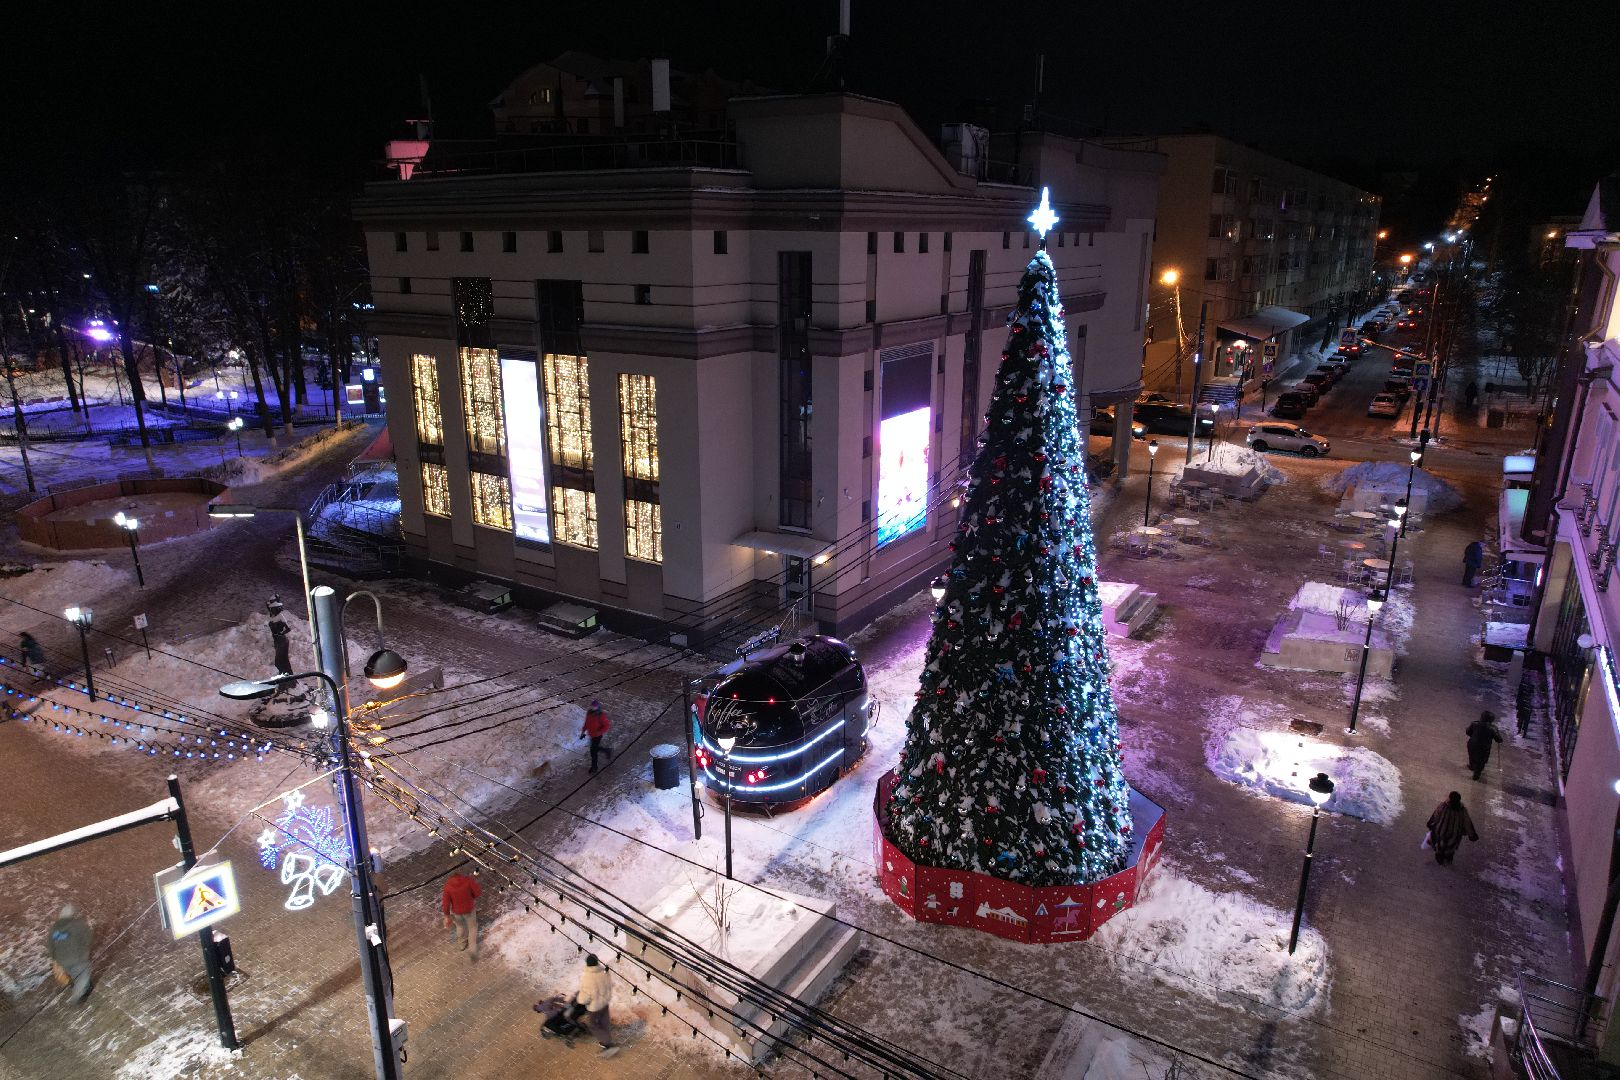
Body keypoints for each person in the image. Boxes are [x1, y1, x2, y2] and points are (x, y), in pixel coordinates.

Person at [574, 953, 618, 1057]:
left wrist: (579, 999)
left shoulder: (587, 978)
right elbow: (610, 985)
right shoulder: (604, 973)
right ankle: (605, 1042)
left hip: (594, 1008)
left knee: (593, 1025)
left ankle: (608, 1044)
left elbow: (584, 998)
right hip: (605, 1003)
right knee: (604, 1022)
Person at [47, 905, 93, 1002]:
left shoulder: (54, 929)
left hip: (62, 960)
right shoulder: (78, 925)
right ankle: (78, 996)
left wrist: (55, 958)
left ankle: (80, 987)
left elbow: (50, 945)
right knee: (83, 976)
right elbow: (87, 938)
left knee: (74, 974)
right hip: (78, 958)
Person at [1426, 791, 1480, 865]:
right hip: (1454, 834)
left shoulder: (1444, 806)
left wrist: (1431, 823)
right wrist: (1472, 834)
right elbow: (1467, 823)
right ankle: (1445, 858)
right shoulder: (1461, 810)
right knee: (1449, 847)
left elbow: (1436, 815)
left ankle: (1441, 856)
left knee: (1442, 845)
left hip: (1442, 831)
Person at [441, 870, 481, 957]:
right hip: (469, 909)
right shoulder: (468, 881)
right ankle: (472, 947)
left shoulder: (448, 887)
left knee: (460, 927)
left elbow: (446, 903)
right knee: (472, 927)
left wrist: (447, 915)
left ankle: (462, 944)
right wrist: (471, 897)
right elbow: (478, 892)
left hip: (457, 912)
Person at [1466, 710, 1503, 781]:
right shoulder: (1493, 728)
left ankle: (1472, 766)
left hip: (1472, 744)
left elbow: (1468, 732)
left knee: (1472, 755)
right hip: (1484, 748)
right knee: (1481, 761)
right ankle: (1476, 774)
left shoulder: (1474, 724)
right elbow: (1499, 739)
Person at [580, 700, 612, 775]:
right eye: (592, 706)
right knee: (595, 749)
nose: (593, 707)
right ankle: (607, 751)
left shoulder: (600, 715)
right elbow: (586, 723)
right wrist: (583, 732)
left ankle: (594, 767)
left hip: (597, 735)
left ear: (597, 707)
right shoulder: (589, 713)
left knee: (593, 752)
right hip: (592, 734)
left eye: (594, 707)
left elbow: (607, 725)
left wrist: (600, 731)